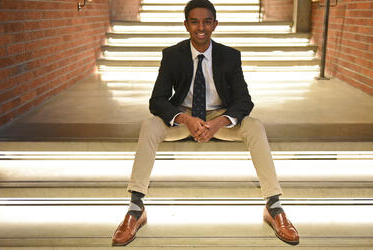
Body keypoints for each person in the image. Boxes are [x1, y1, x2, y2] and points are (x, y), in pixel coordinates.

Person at [112, 0, 299, 246]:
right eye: (195, 21)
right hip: (183, 118)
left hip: (218, 117)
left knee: (254, 125)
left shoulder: (230, 56)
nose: (201, 27)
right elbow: (157, 100)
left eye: (207, 21)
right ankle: (136, 208)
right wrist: (185, 119)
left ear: (215, 24)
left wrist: (220, 121)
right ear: (186, 25)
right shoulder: (172, 55)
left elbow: (244, 101)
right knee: (150, 124)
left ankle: (274, 206)